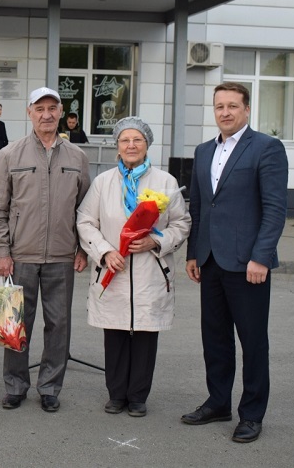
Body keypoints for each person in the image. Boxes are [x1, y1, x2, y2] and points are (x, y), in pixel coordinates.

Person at [182, 82, 288, 443]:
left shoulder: (266, 148)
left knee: (253, 341)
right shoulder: (202, 151)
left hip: (248, 265)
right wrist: (194, 253)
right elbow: (198, 206)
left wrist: (261, 257)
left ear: (246, 110)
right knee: (215, 338)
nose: (224, 112)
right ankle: (218, 402)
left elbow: (274, 209)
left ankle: (252, 414)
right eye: (218, 106)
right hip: (210, 260)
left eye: (232, 106)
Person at [76, 117, 191, 417]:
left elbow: (182, 224)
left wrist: (156, 241)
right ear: (117, 147)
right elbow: (85, 222)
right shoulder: (103, 183)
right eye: (125, 141)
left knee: (144, 335)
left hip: (151, 272)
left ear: (147, 145)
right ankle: (116, 395)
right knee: (114, 334)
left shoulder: (165, 182)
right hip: (114, 270)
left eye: (137, 140)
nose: (131, 145)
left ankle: (138, 396)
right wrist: (103, 252)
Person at [0, 87, 91, 413]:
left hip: (62, 256)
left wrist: (83, 249)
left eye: (52, 108)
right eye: (39, 108)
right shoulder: (9, 154)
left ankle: (49, 387)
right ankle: (16, 386)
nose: (46, 114)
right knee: (16, 324)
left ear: (61, 112)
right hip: (21, 256)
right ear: (29, 112)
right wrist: (2, 252)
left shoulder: (77, 157)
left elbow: (86, 210)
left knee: (59, 325)